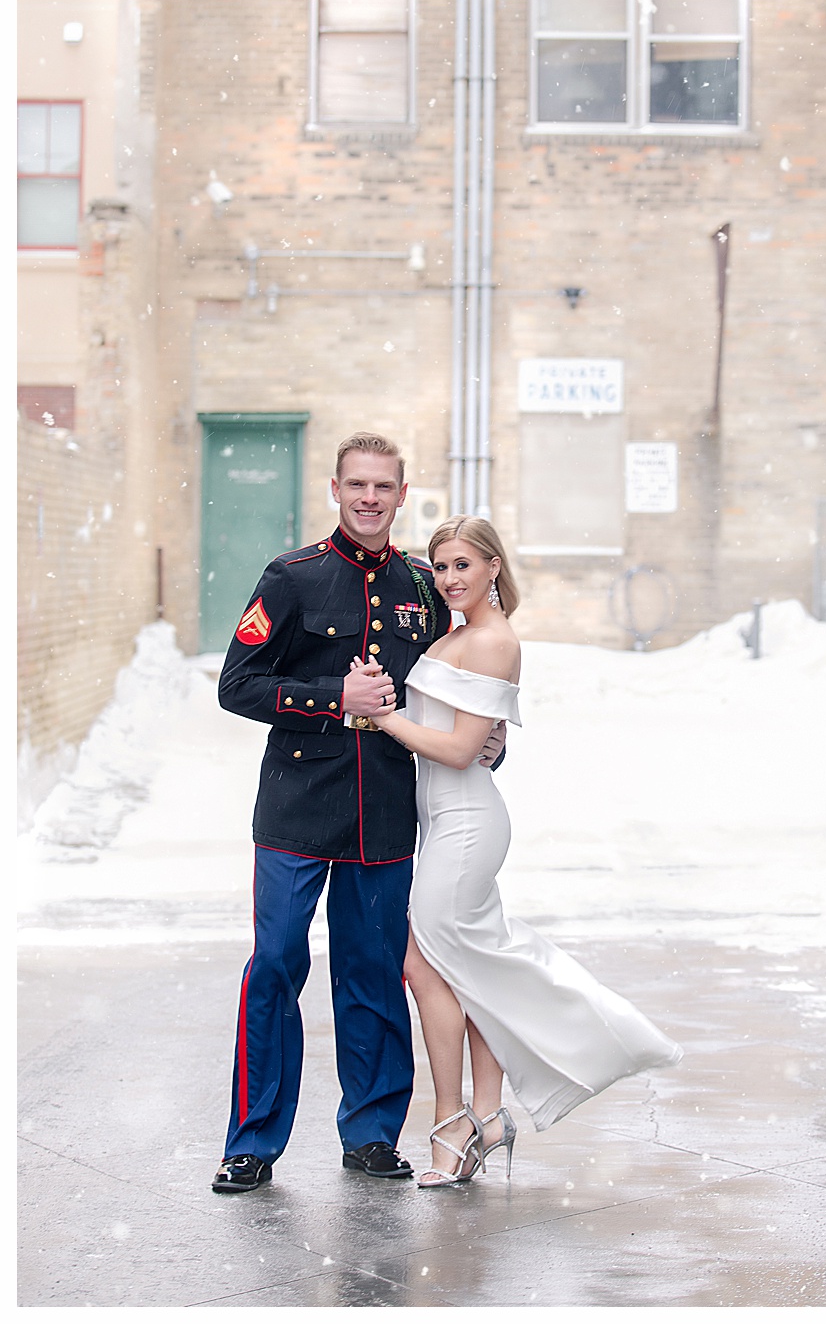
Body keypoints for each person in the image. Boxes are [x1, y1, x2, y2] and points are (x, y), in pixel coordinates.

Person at [211, 432, 501, 1193]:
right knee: (275, 967)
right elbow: (236, 685)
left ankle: (372, 1132)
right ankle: (252, 1141)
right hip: (296, 809)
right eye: (357, 486)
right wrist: (330, 700)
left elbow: (456, 688)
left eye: (384, 487)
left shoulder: (422, 584)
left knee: (373, 973)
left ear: (402, 495)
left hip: (385, 812)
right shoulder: (292, 577)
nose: (370, 499)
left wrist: (485, 739)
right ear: (335, 490)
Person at [367, 515, 682, 1187]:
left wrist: (382, 716)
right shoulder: (460, 635)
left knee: (427, 970)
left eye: (463, 565)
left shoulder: (493, 642)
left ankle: (456, 1120)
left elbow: (457, 750)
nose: (450, 578)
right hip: (447, 824)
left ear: (492, 568)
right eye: (442, 566)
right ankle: (482, 1115)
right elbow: (470, 736)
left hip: (466, 825)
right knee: (468, 969)